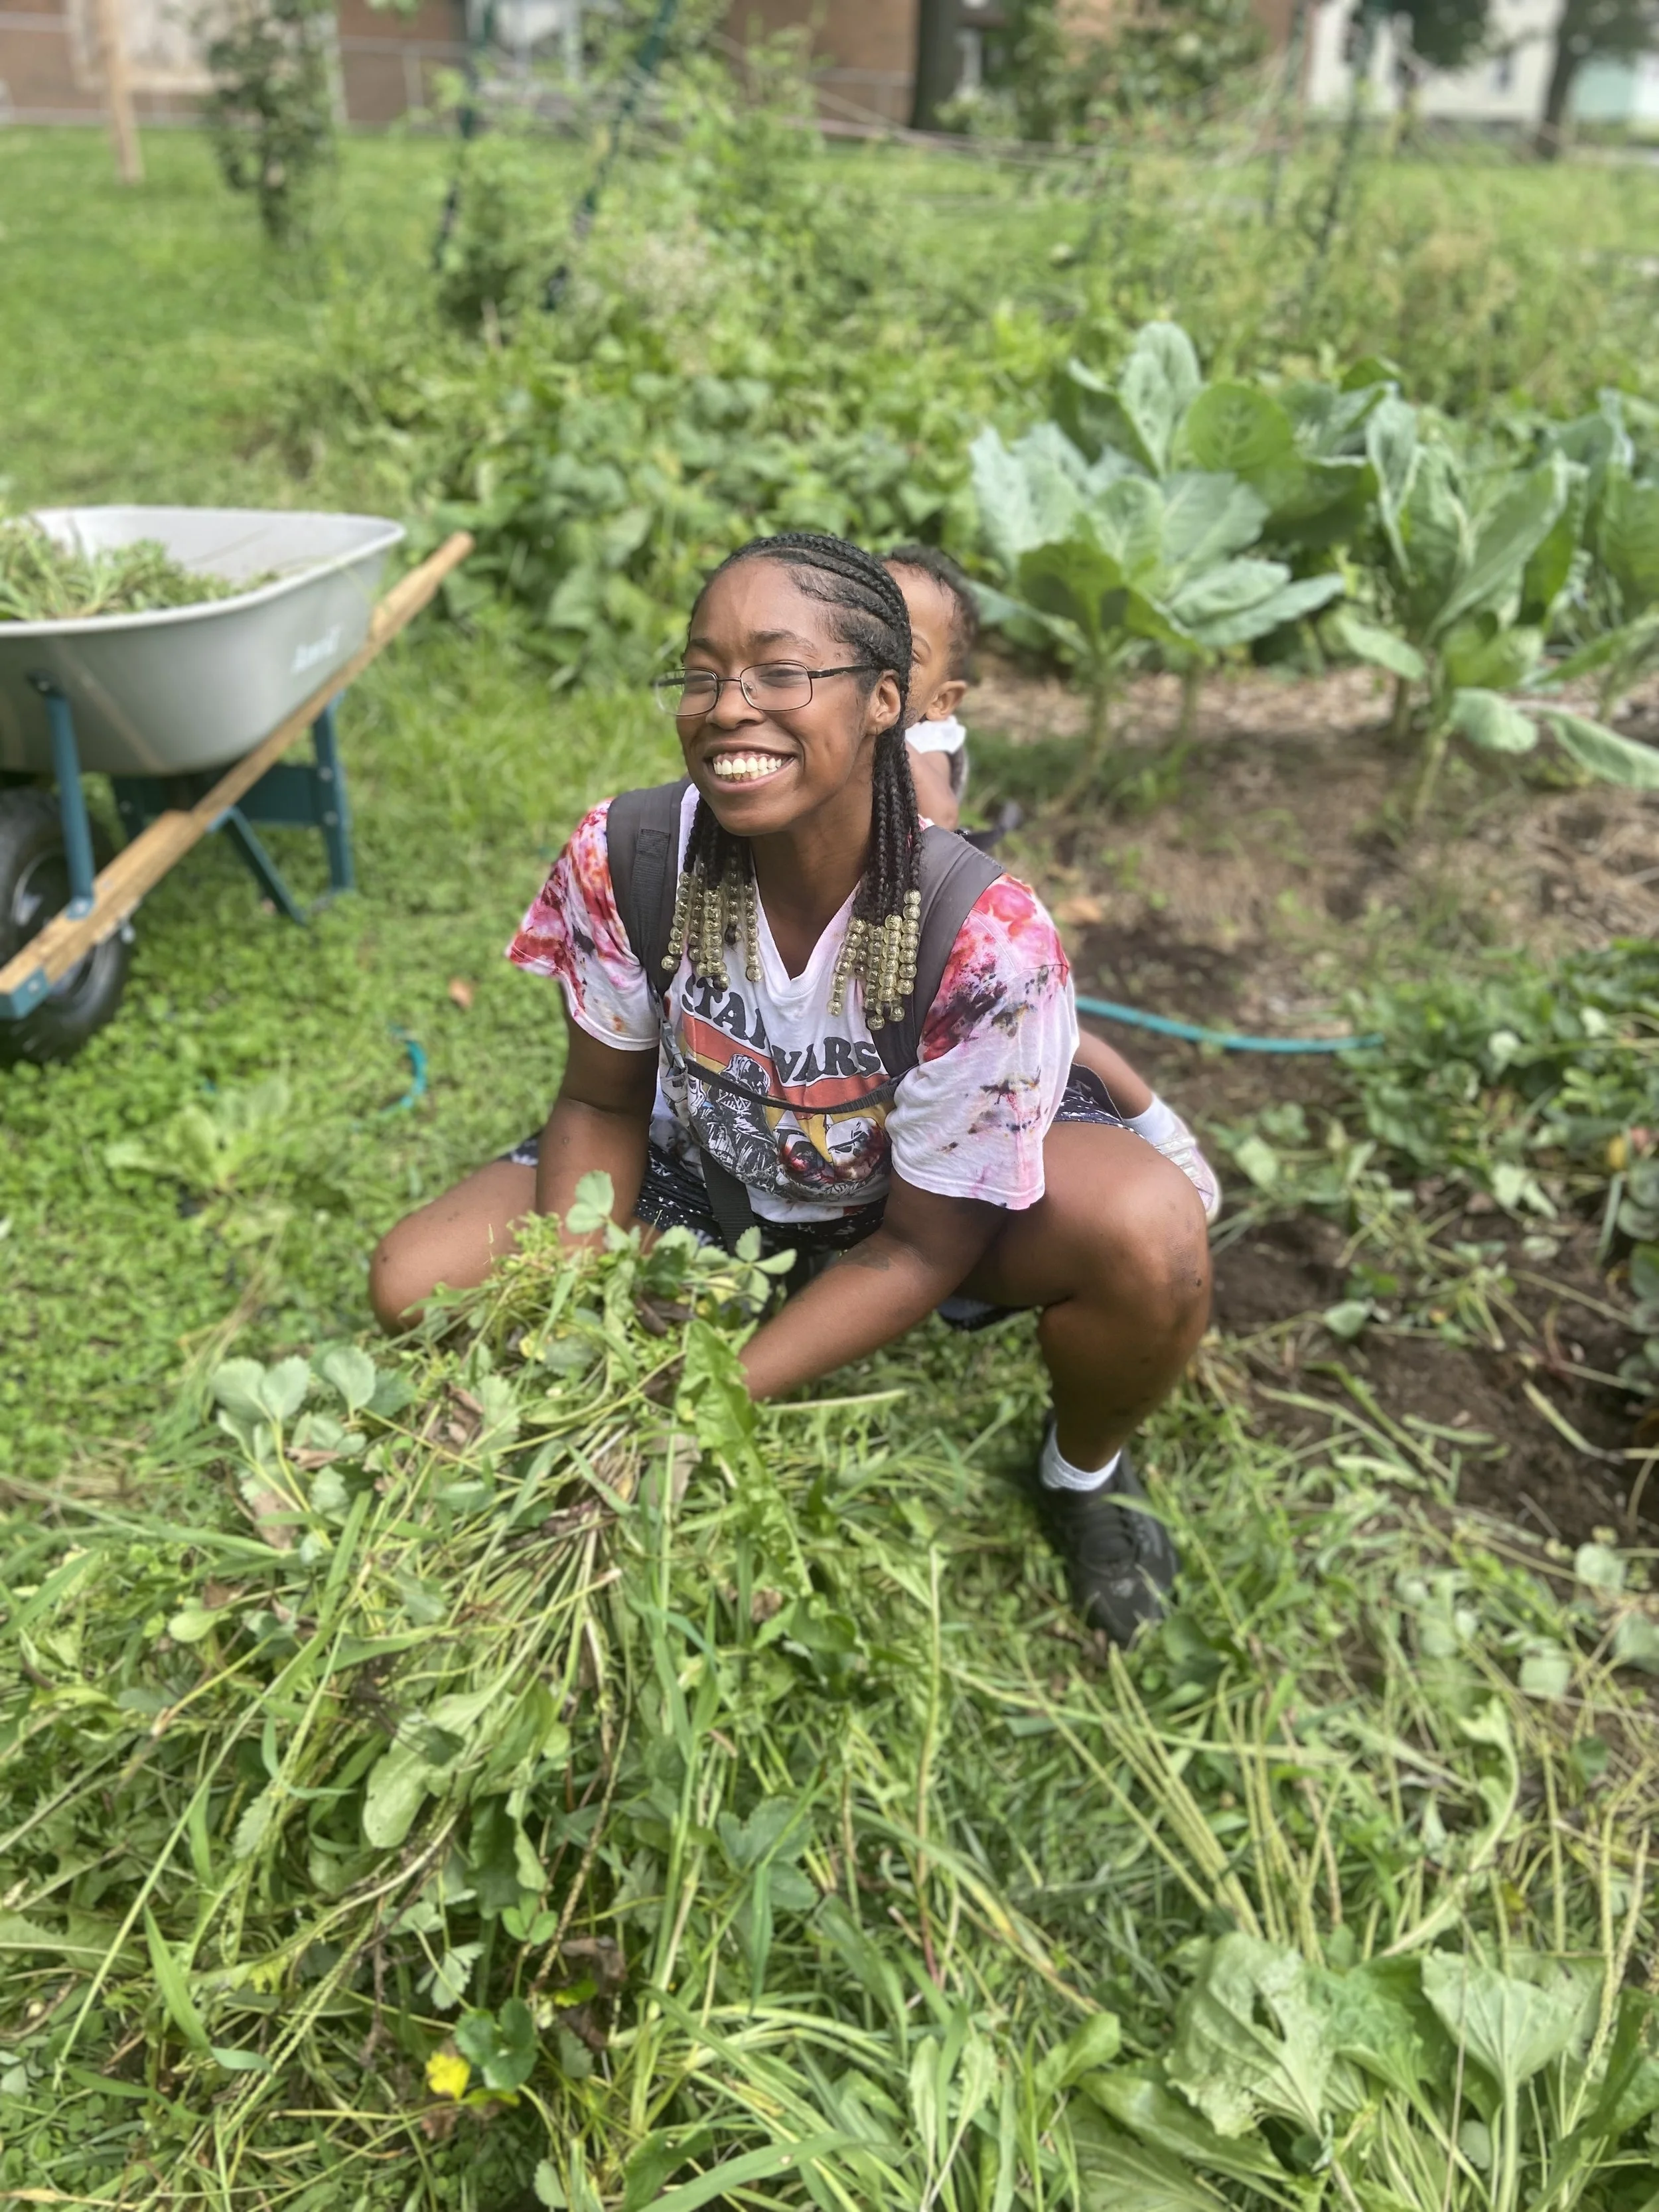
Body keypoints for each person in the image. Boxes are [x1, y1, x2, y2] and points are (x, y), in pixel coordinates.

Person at [369, 533, 1212, 1647]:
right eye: (703, 672)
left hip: (913, 1202)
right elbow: (604, 1106)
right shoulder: (628, 852)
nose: (729, 707)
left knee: (1152, 1237)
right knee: (413, 1283)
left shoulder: (984, 938)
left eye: (779, 672)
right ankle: (734, 1285)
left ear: (884, 701)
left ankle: (1082, 1474)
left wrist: (699, 1405)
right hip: (711, 1164)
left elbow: (922, 1246)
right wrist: (572, 1322)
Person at [885, 542, 1220, 1223]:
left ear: (943, 699)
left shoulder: (922, 743)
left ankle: (1156, 1128)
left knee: (1057, 1042)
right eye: (854, 635)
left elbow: (936, 818)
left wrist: (878, 737)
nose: (872, 661)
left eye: (902, 654)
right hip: (875, 940)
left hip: (945, 935)